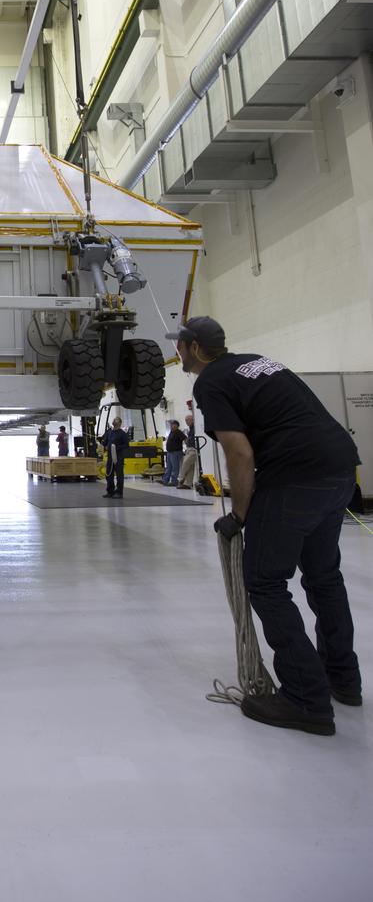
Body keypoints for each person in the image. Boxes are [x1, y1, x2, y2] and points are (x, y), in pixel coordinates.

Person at [172, 315, 361, 735]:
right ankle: (343, 680)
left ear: (195, 347)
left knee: (266, 582)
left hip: (295, 477)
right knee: (324, 577)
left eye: (181, 346)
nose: (178, 352)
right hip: (339, 467)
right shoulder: (258, 362)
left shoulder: (210, 382)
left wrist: (239, 516)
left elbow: (239, 454)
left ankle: (305, 698)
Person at [99, 417, 129, 498]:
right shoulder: (109, 432)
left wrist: (116, 447)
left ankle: (119, 492)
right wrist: (103, 444)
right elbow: (104, 441)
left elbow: (126, 445)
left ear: (120, 423)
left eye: (116, 419)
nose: (114, 421)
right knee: (109, 474)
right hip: (110, 457)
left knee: (119, 475)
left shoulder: (123, 433)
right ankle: (110, 491)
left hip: (118, 457)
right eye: (114, 419)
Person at [178, 412, 199, 489]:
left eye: (188, 420)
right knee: (190, 468)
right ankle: (188, 484)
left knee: (185, 463)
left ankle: (180, 479)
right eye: (185, 420)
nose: (186, 422)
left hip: (193, 449)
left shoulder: (195, 428)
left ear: (192, 420)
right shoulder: (190, 429)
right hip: (189, 449)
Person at [163, 421, 185, 485]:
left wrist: (188, 447)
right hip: (169, 452)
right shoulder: (171, 432)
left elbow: (185, 438)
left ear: (176, 426)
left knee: (175, 468)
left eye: (173, 425)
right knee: (168, 467)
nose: (172, 426)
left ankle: (174, 481)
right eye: (171, 425)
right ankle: (165, 480)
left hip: (176, 452)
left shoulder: (178, 432)